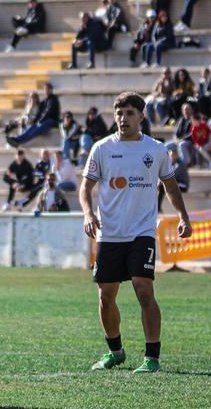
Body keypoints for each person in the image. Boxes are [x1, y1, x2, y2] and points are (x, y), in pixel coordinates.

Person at [82, 92, 192, 374]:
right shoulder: (102, 148)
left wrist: (183, 216)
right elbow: (86, 188)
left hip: (142, 231)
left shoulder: (155, 149)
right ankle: (115, 351)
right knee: (106, 296)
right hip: (110, 234)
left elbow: (170, 185)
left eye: (130, 113)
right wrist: (87, 213)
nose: (123, 118)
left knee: (144, 290)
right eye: (119, 113)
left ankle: (152, 358)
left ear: (141, 116)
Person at [157, 146, 190, 212]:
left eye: (174, 155)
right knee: (161, 187)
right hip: (177, 183)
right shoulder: (171, 163)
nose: (172, 156)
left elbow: (171, 175)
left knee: (162, 187)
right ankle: (157, 208)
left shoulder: (180, 164)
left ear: (177, 154)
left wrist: (160, 182)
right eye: (171, 155)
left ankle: (158, 208)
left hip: (183, 185)